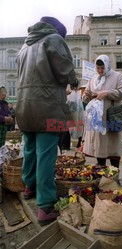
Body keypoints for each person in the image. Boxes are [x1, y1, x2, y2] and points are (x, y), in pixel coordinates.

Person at [16, 16, 78, 226]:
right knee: (46, 155)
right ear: (59, 31)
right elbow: (65, 73)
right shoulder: (54, 39)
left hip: (24, 106)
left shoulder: (25, 45)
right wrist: (74, 79)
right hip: (47, 108)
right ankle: (45, 206)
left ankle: (29, 187)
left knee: (30, 149)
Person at [82, 55, 122, 168]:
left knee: (113, 147)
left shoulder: (117, 76)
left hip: (111, 116)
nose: (100, 71)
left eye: (103, 68)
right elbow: (85, 96)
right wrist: (86, 96)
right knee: (99, 147)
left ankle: (114, 175)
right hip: (97, 119)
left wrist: (107, 93)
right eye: (98, 68)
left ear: (107, 65)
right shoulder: (93, 79)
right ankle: (102, 174)